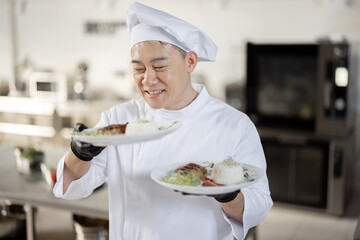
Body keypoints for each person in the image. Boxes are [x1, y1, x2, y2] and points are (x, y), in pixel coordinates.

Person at [53, 2, 273, 240]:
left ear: (190, 62)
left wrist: (228, 196)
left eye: (159, 67)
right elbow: (74, 186)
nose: (147, 80)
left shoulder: (234, 125)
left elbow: (257, 206)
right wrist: (79, 152)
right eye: (138, 69)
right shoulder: (118, 119)